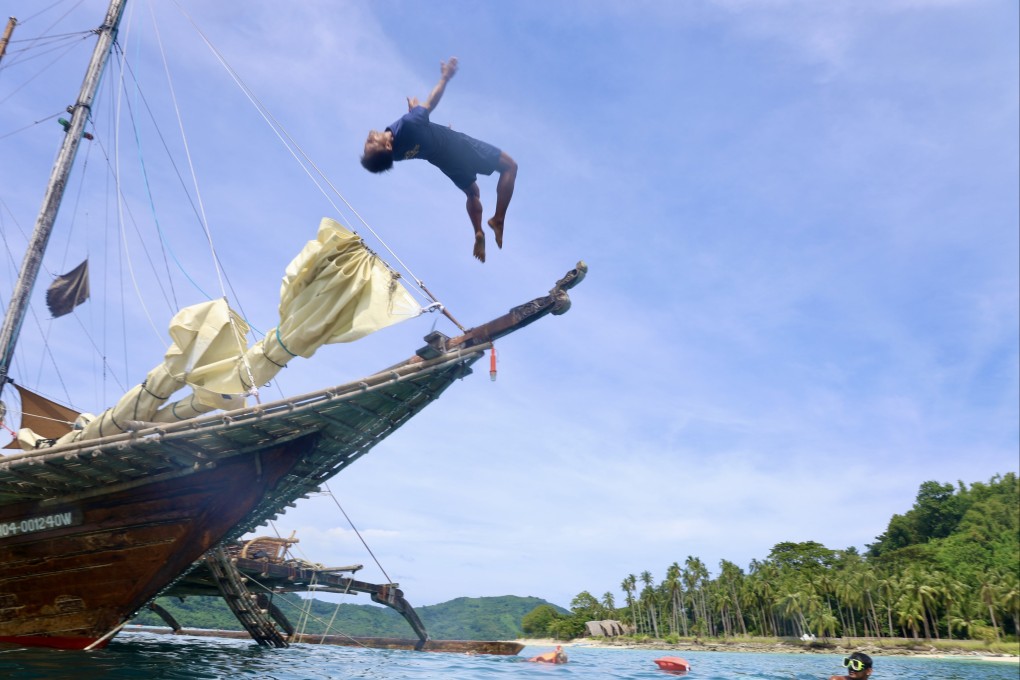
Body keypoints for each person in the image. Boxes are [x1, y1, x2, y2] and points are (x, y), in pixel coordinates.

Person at [361, 57, 518, 263]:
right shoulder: (410, 124)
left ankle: (478, 231)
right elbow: (430, 103)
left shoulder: (396, 154)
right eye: (372, 141)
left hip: (443, 161)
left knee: (472, 193)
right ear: (388, 146)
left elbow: (417, 132)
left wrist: (415, 112)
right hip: (457, 145)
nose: (370, 135)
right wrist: (445, 77)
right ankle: (498, 219)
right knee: (509, 166)